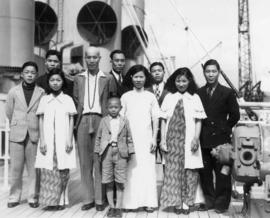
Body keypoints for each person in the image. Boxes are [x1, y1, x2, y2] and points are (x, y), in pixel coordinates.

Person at [159, 67, 206, 215]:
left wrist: (196, 139)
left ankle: (187, 203)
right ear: (174, 81)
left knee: (190, 173)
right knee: (173, 172)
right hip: (173, 141)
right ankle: (176, 202)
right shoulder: (169, 97)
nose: (181, 83)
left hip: (189, 140)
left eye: (184, 80)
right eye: (178, 80)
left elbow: (199, 121)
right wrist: (163, 140)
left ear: (189, 81)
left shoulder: (195, 98)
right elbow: (163, 120)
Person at [197, 59, 240, 214]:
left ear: (219, 72)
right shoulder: (199, 92)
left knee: (223, 174)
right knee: (205, 173)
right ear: (204, 73)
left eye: (214, 71)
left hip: (222, 141)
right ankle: (209, 201)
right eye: (208, 71)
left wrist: (224, 129)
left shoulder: (227, 92)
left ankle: (221, 204)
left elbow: (235, 115)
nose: (210, 74)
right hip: (204, 139)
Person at [73, 46, 113, 211]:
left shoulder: (107, 78)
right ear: (85, 59)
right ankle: (87, 199)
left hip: (100, 120)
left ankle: (99, 199)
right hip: (83, 120)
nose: (91, 60)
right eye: (88, 57)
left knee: (100, 161)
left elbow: (111, 100)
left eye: (94, 57)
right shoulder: (78, 78)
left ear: (99, 59)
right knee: (84, 162)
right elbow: (76, 99)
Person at [35, 68, 77, 210]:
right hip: (48, 141)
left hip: (63, 140)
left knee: (63, 170)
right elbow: (40, 119)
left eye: (58, 80)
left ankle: (61, 199)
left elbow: (71, 119)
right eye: (52, 80)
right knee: (48, 171)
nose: (55, 83)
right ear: (48, 82)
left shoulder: (67, 99)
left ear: (62, 82)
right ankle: (49, 201)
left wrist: (70, 139)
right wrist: (42, 140)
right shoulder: (45, 99)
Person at [120, 65, 159, 212]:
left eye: (141, 77)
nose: (138, 79)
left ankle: (149, 202)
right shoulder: (125, 96)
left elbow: (156, 118)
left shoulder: (150, 96)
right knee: (131, 170)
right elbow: (121, 119)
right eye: (136, 76)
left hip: (147, 138)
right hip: (130, 139)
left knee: (147, 169)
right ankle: (130, 203)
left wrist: (154, 138)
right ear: (131, 78)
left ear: (145, 78)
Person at [5, 61, 44, 208]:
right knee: (16, 167)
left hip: (34, 133)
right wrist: (18, 123)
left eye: (32, 72)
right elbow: (9, 111)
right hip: (17, 133)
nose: (29, 75)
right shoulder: (13, 91)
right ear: (22, 74)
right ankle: (14, 196)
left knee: (33, 168)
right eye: (27, 72)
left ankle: (33, 197)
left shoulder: (41, 92)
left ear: (36, 75)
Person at [94, 97, 134, 218]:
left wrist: (130, 151)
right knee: (108, 180)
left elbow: (129, 137)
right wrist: (97, 152)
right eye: (110, 107)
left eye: (116, 107)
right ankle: (111, 206)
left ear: (120, 108)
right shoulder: (104, 121)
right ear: (107, 108)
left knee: (120, 181)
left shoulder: (125, 121)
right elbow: (99, 138)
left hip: (121, 153)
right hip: (106, 152)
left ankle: (118, 207)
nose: (113, 109)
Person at [148, 62, 169, 164]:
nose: (157, 73)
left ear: (164, 72)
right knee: (150, 162)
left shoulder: (170, 89)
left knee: (166, 162)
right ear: (150, 73)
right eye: (154, 71)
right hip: (150, 131)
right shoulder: (146, 90)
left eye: (159, 71)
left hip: (166, 132)